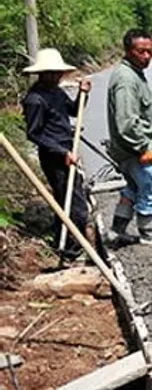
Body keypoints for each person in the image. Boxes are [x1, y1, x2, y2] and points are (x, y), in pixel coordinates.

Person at [21, 48, 92, 262]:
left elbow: (74, 111)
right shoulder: (35, 99)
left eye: (58, 72)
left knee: (69, 201)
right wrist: (62, 152)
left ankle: (65, 244)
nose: (56, 76)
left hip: (68, 150)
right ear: (42, 73)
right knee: (75, 207)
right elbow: (34, 134)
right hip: (55, 158)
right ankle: (71, 251)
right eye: (52, 72)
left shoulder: (56, 92)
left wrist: (83, 93)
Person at [106, 29, 152, 245]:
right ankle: (148, 234)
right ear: (129, 51)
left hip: (128, 148)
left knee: (133, 188)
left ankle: (116, 231)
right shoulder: (126, 79)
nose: (147, 56)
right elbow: (127, 122)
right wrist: (143, 147)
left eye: (150, 52)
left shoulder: (133, 74)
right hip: (132, 148)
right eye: (141, 51)